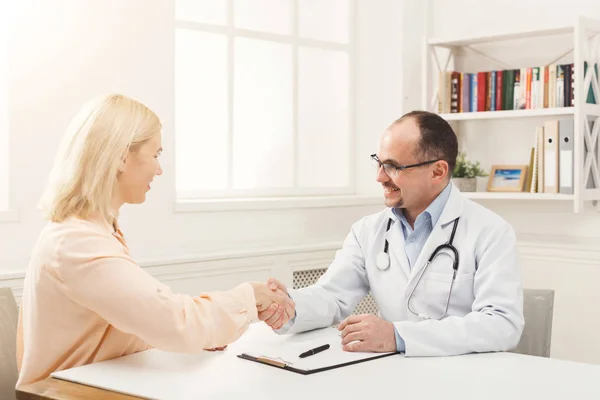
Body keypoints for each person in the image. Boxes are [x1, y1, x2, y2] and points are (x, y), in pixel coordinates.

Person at [16, 94, 294, 386]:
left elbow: (135, 322)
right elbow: (177, 321)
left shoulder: (94, 231)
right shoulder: (77, 243)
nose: (159, 169)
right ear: (122, 156)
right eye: (156, 154)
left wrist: (203, 334)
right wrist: (252, 296)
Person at [260, 110, 524, 356]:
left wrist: (398, 335)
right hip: (392, 374)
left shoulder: (490, 232)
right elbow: (333, 296)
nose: (379, 177)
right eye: (378, 162)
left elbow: (502, 324)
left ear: (438, 171)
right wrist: (289, 306)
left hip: (463, 378)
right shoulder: (368, 231)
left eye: (393, 166)